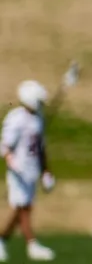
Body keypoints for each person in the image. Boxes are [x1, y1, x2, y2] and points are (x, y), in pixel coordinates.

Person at [0, 82, 56, 262]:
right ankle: (31, 243)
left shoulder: (37, 118)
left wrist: (45, 171)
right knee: (22, 207)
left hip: (31, 171)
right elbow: (5, 146)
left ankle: (2, 240)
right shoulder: (16, 118)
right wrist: (12, 163)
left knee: (23, 207)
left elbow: (41, 147)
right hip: (18, 171)